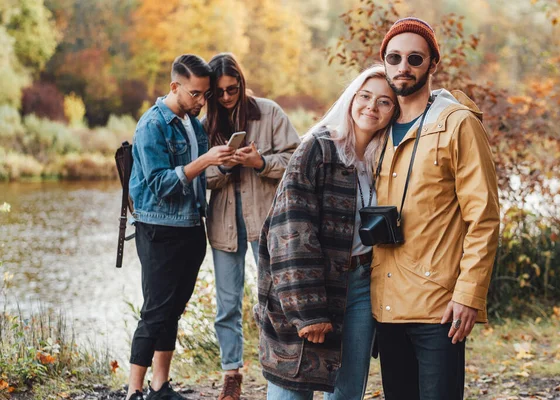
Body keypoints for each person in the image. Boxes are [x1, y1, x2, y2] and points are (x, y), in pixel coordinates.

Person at [373, 17, 501, 399]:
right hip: (385, 304)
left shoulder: (458, 123)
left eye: (415, 58)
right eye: (394, 58)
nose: (403, 67)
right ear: (384, 62)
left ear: (433, 64)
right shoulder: (376, 126)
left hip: (438, 307)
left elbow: (484, 218)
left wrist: (468, 295)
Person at [254, 65, 399, 399]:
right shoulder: (317, 149)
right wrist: (309, 310)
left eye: (384, 102)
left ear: (394, 111)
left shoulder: (384, 160)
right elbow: (290, 230)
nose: (371, 108)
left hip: (361, 286)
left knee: (348, 390)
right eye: (365, 96)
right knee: (292, 387)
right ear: (351, 98)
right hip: (307, 289)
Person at [126, 54, 235, 400]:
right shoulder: (152, 125)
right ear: (174, 86)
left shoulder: (192, 122)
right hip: (158, 229)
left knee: (173, 309)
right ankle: (134, 391)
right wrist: (203, 160)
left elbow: (197, 179)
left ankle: (160, 386)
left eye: (206, 95)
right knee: (155, 310)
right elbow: (160, 184)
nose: (202, 102)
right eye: (195, 94)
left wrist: (224, 163)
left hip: (191, 226)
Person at [203, 53, 300, 400]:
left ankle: (282, 366)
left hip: (268, 223)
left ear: (242, 83)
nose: (227, 97)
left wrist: (261, 162)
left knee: (276, 301)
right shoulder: (206, 123)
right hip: (225, 226)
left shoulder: (270, 112)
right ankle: (232, 373)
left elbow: (296, 160)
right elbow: (201, 179)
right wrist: (224, 167)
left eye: (232, 89)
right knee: (227, 304)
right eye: (219, 92)